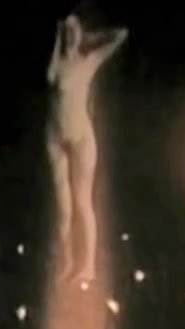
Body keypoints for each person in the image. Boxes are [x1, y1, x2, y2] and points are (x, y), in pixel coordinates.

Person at [46, 13, 128, 283]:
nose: (71, 36)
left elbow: (121, 34)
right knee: (64, 207)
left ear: (81, 33)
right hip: (56, 136)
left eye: (75, 31)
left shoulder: (88, 60)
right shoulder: (59, 63)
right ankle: (67, 261)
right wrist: (60, 37)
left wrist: (92, 38)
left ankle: (88, 265)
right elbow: (51, 76)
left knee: (83, 202)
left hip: (81, 137)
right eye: (67, 31)